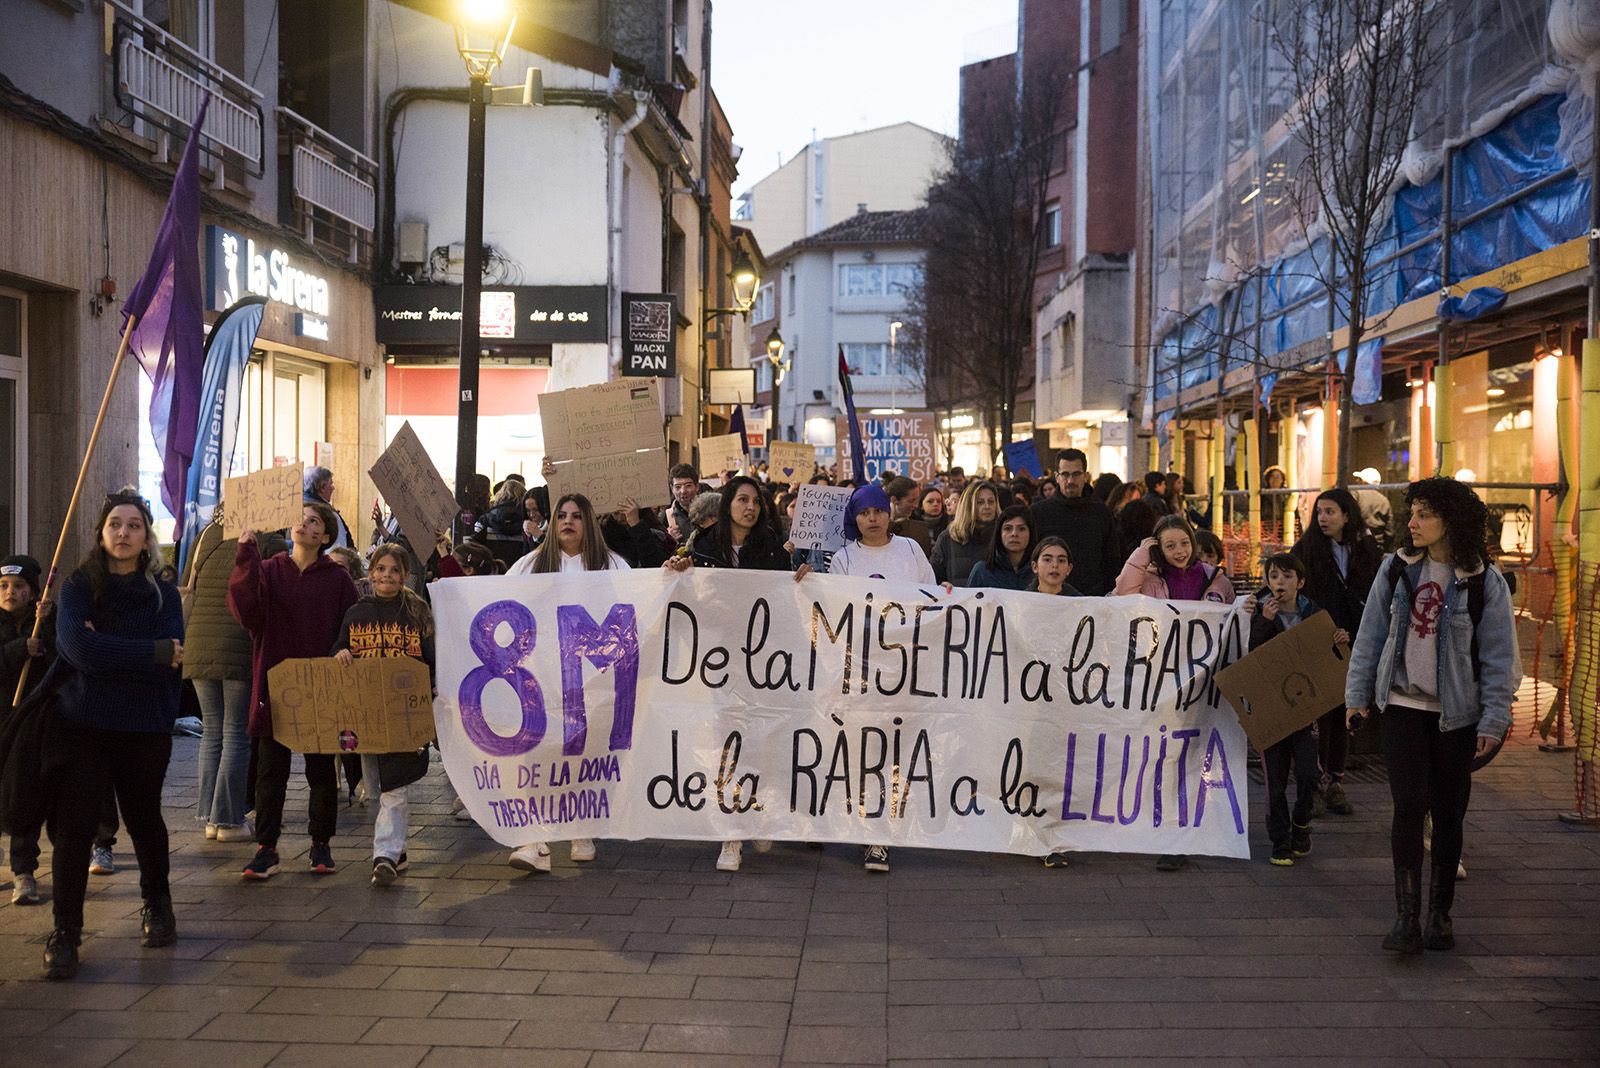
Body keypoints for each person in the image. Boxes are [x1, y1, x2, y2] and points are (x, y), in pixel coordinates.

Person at [1345, 477, 1516, 954]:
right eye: (1412, 513)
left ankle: (1440, 916)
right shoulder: (1396, 571)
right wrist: (1356, 696)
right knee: (1408, 805)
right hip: (1402, 705)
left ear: (1451, 521)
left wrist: (1494, 718)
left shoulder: (1484, 582)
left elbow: (1500, 657)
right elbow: (1370, 636)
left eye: (1425, 514)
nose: (1413, 523)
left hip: (1456, 714)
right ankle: (1406, 918)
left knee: (1448, 812)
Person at [38, 491, 184, 981]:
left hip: (145, 725)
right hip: (82, 724)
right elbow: (79, 648)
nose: (123, 532)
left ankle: (157, 904)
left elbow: (173, 651)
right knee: (75, 830)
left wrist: (110, 651)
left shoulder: (161, 589)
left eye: (134, 525)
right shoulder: (79, 585)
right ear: (101, 533)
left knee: (145, 820)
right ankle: (65, 931)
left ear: (147, 537)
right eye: (114, 524)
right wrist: (149, 653)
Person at [229, 501, 359, 879]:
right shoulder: (268, 570)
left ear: (326, 535)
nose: (304, 524)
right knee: (271, 771)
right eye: (300, 518)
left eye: (314, 520)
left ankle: (321, 844)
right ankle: (266, 847)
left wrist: (344, 649)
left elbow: (350, 626)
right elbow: (245, 611)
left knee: (321, 771)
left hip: (321, 687)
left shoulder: (338, 580)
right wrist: (245, 554)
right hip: (276, 684)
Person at [669, 476, 791, 871]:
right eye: (742, 499)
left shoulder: (773, 550)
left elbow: (784, 602)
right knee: (726, 743)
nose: (750, 507)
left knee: (758, 737)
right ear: (728, 505)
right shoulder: (702, 547)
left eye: (756, 500)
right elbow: (688, 597)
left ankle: (756, 810)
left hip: (761, 662)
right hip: (716, 661)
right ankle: (730, 834)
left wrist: (803, 583)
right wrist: (678, 571)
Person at [505, 493, 630, 871]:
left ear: (588, 522)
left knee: (583, 752)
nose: (568, 521)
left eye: (576, 515)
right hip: (542, 675)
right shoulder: (529, 565)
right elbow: (501, 602)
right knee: (538, 752)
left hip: (591, 678)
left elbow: (636, 605)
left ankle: (582, 828)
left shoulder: (611, 564)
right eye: (561, 515)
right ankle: (534, 840)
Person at [1111, 513, 1236, 873]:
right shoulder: (1148, 580)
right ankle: (1167, 828)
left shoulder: (1215, 578)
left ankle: (1183, 834)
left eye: (1183, 543)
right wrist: (1141, 556)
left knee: (1193, 755)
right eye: (1169, 546)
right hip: (1161, 680)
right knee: (1163, 755)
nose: (1178, 551)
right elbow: (1122, 595)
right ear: (1159, 549)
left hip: (1202, 681)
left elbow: (1230, 618)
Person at [826, 484, 935, 874]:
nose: (872, 518)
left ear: (889, 513)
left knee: (895, 752)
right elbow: (833, 609)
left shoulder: (910, 550)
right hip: (860, 670)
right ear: (854, 519)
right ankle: (862, 825)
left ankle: (881, 837)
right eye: (863, 512)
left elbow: (931, 597)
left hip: (904, 668)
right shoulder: (843, 558)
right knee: (862, 751)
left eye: (878, 510)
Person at [331, 544, 436, 887]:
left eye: (394, 570)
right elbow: (338, 648)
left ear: (405, 575)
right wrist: (342, 653)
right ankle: (397, 849)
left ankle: (385, 855)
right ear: (370, 573)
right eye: (381, 569)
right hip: (367, 711)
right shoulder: (356, 612)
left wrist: (432, 690)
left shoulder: (417, 612)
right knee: (376, 787)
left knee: (396, 785)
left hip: (405, 712)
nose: (387, 575)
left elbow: (432, 657)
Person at [183, 513, 285, 848]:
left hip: (198, 643)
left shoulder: (208, 534)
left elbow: (188, 585)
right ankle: (227, 819)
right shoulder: (266, 538)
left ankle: (209, 817)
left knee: (211, 731)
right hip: (239, 643)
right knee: (236, 733)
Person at [1249, 552, 1349, 866]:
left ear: (1300, 582)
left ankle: (1301, 823)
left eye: (1287, 576)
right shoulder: (1259, 613)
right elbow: (1252, 654)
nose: (1280, 583)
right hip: (1273, 711)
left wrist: (1340, 639)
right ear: (1267, 581)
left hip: (1307, 712)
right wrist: (1264, 623)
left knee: (1309, 773)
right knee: (1275, 782)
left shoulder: (1315, 613)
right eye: (1274, 577)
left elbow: (1328, 655)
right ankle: (1280, 841)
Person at [1292, 488, 1382, 817]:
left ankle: (1334, 783)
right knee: (1316, 716)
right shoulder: (1307, 548)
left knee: (1344, 714)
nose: (1323, 518)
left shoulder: (1365, 548)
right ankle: (1311, 784)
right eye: (1320, 512)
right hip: (1316, 642)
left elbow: (1374, 592)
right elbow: (1295, 591)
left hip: (1353, 642)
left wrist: (1356, 631)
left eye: (1330, 511)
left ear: (1347, 515)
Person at [1, 554, 54, 906]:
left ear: (32, 593)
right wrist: (21, 648)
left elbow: (60, 663)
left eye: (18, 586)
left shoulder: (43, 623)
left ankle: (24, 871)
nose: (9, 592)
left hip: (28, 723)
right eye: (3, 586)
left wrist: (44, 631)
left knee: (22, 795)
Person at [1030, 449, 1122, 595]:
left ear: (1085, 476)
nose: (1071, 481)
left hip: (1092, 601)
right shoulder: (1038, 513)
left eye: (1076, 474)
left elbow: (1111, 560)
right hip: (1048, 600)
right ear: (1057, 477)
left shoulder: (1102, 513)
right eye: (1065, 474)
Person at [930, 480, 1000, 587]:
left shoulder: (1003, 537)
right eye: (980, 502)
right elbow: (933, 578)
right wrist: (941, 587)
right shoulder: (948, 538)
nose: (987, 506)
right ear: (968, 505)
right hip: (958, 602)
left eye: (991, 502)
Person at [967, 505, 1037, 590]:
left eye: (1021, 529)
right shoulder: (982, 571)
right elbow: (967, 602)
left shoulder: (1040, 571)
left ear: (1031, 533)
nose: (1014, 534)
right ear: (999, 533)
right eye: (1008, 528)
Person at [475, 478, 531, 571]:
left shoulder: (485, 519)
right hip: (520, 572)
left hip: (492, 572)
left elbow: (475, 545)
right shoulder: (529, 521)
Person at [303, 465, 354, 549]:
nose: (333, 488)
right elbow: (338, 547)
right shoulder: (327, 513)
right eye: (331, 484)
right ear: (322, 487)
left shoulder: (299, 507)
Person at [885, 476, 933, 558]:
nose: (915, 505)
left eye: (917, 500)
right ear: (894, 500)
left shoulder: (920, 527)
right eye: (911, 501)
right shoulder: (879, 525)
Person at [1352, 468, 1394, 549]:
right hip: (1378, 546)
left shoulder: (1356, 495)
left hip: (1359, 545)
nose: (1357, 481)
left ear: (1364, 481)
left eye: (1359, 479)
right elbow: (1390, 530)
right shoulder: (1384, 500)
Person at [666, 463, 702, 544]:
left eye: (688, 485)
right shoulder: (665, 517)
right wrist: (669, 540)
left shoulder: (709, 512)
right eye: (678, 487)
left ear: (697, 487)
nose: (683, 491)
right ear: (672, 489)